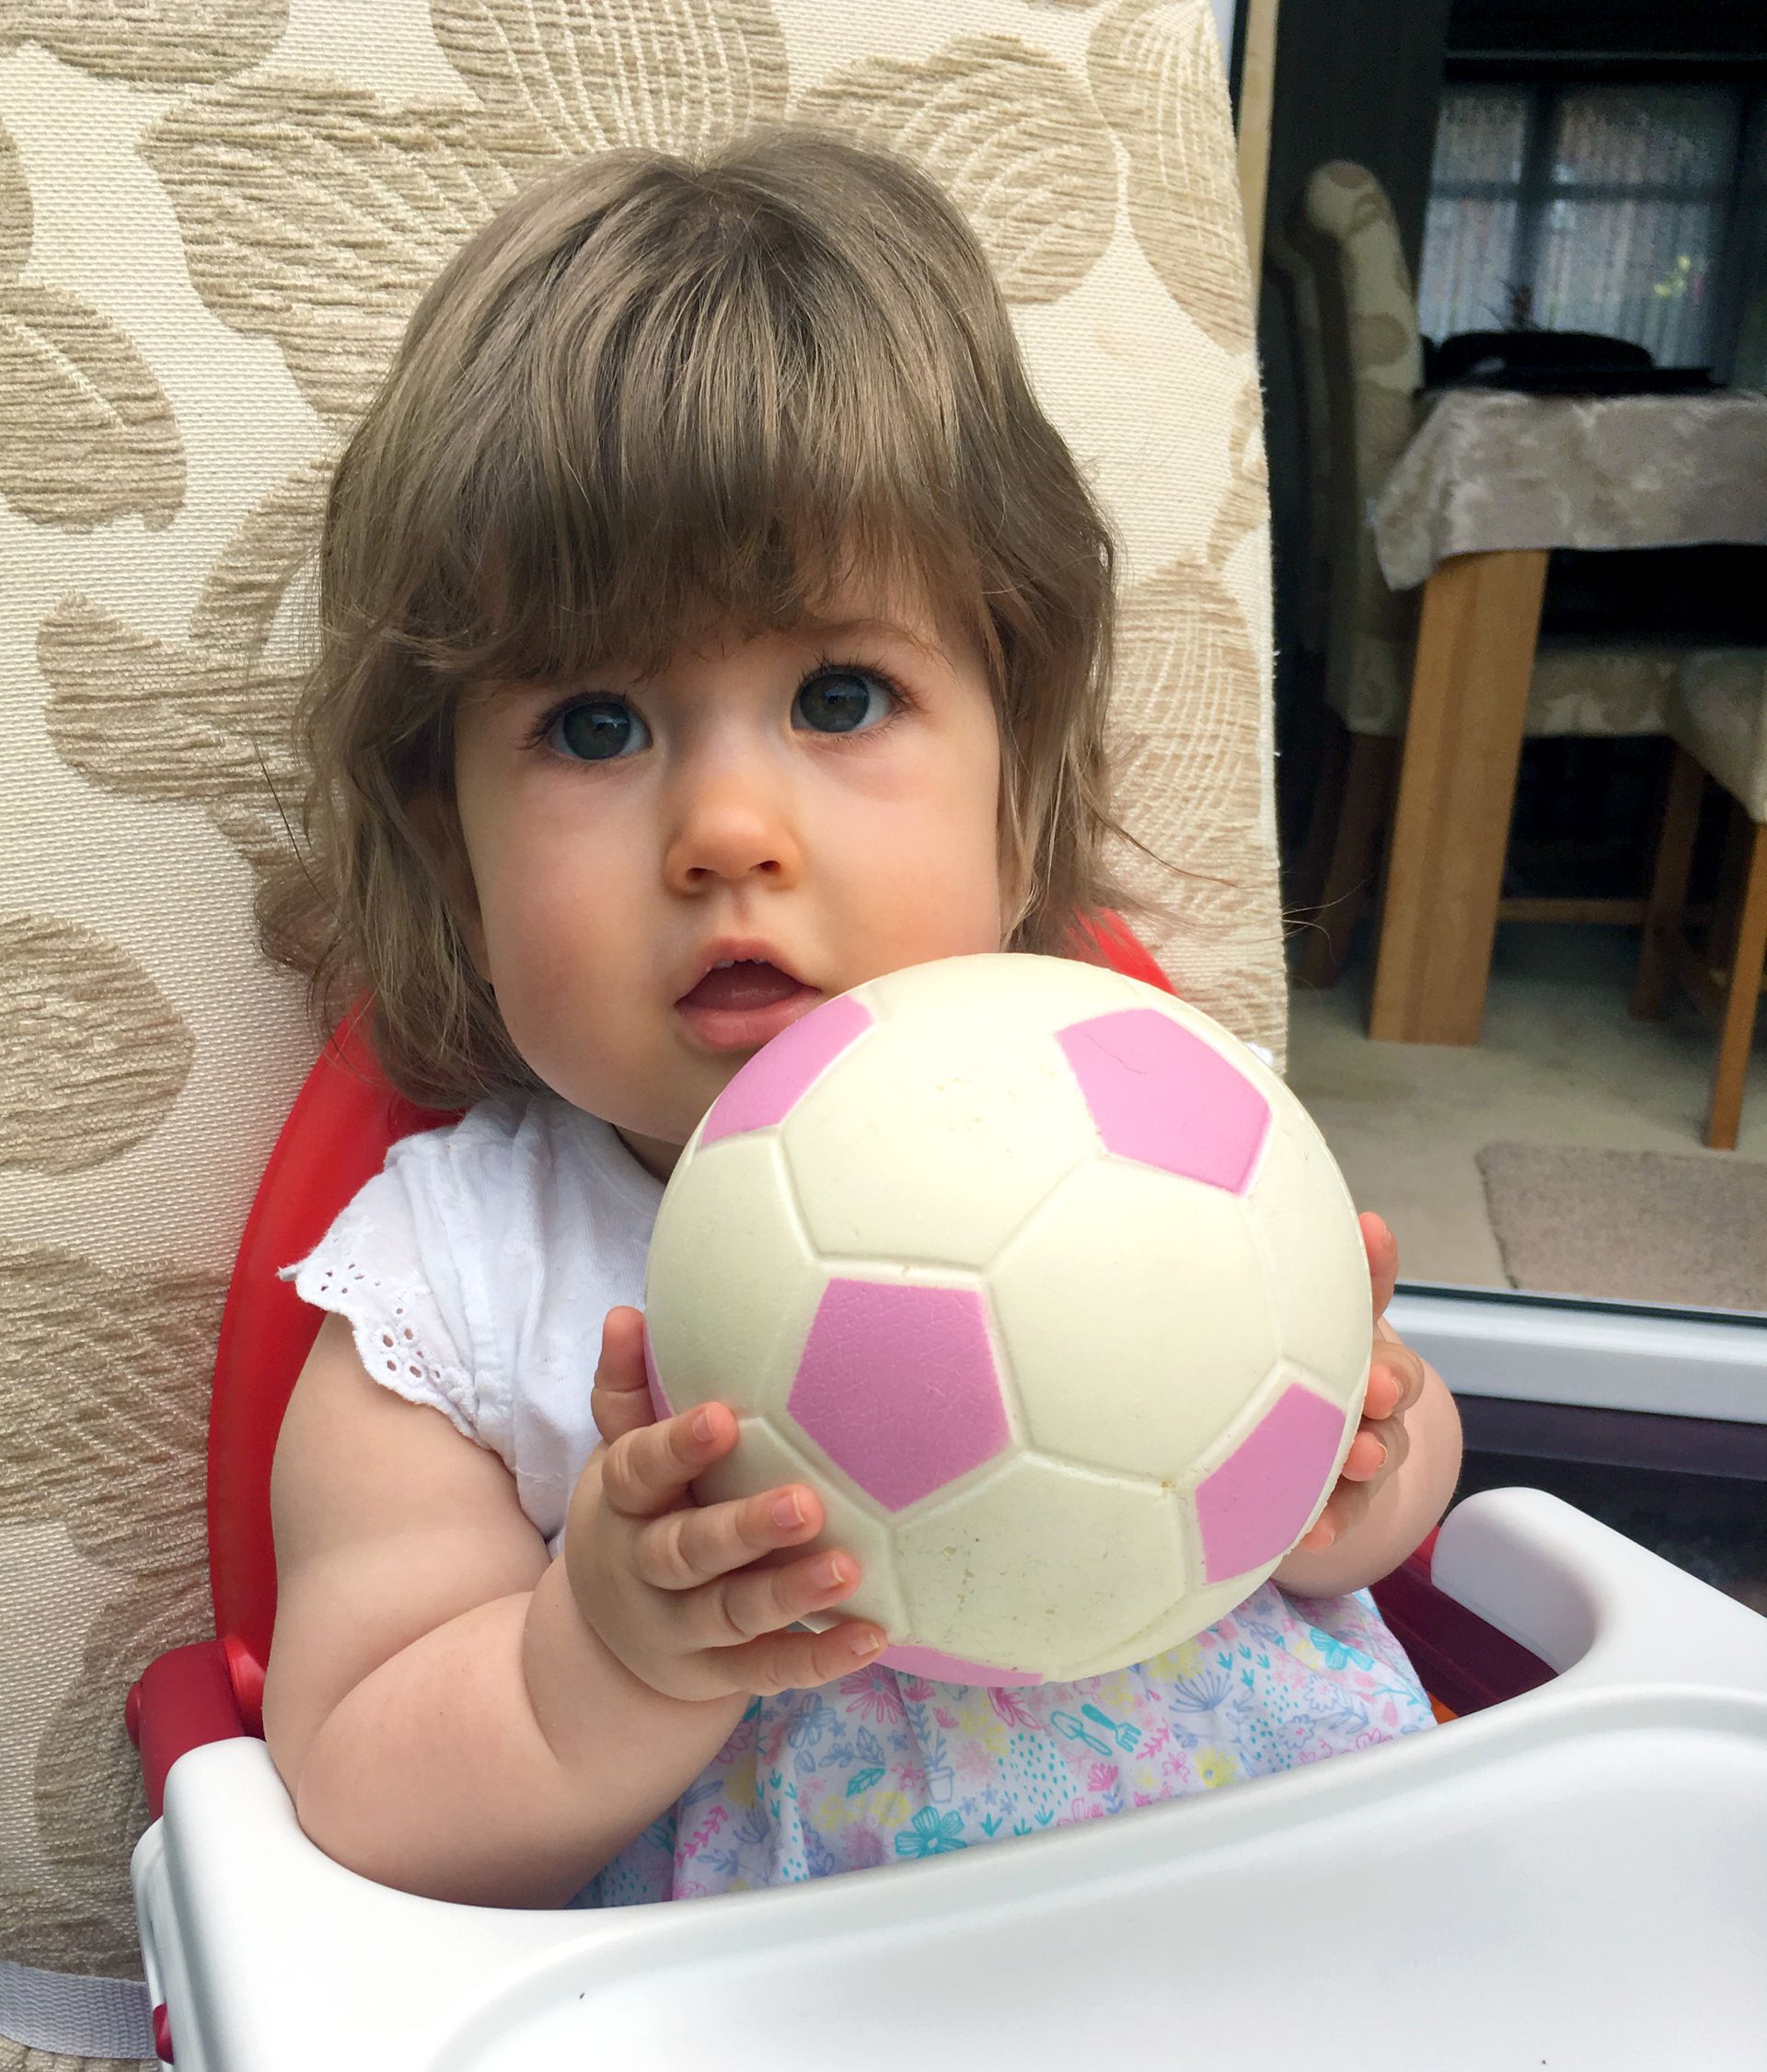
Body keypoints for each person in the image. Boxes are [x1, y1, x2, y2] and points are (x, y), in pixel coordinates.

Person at [260, 130, 1462, 1911]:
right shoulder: (455, 1282)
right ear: (454, 835)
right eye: (596, 727)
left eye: (840, 694)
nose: (728, 830)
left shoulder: (1158, 1127)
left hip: (1298, 1953)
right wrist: (592, 1659)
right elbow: (350, 1782)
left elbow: (1386, 1493)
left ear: (1017, 769)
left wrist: (1368, 1463)